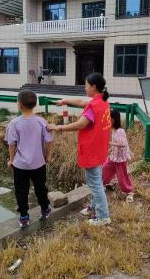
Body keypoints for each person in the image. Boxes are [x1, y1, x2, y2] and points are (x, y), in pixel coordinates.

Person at [47, 73, 111, 226]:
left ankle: (103, 216)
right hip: (100, 148)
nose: (84, 87)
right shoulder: (102, 101)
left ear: (93, 87)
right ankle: (94, 208)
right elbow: (81, 101)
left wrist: (58, 127)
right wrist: (63, 101)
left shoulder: (94, 106)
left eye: (86, 85)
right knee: (96, 181)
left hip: (92, 149)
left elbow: (81, 124)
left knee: (95, 183)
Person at [5, 90, 53, 228]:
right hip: (39, 163)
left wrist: (11, 160)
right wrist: (47, 156)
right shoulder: (41, 122)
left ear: (19, 105)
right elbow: (48, 141)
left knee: (21, 190)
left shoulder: (14, 123)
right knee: (40, 187)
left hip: (20, 165)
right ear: (35, 104)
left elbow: (12, 144)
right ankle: (45, 209)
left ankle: (24, 216)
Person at [102, 109, 134, 203]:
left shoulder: (120, 131)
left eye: (108, 119)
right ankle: (101, 184)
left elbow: (123, 143)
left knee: (122, 177)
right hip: (114, 157)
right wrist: (111, 149)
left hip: (120, 159)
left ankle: (129, 192)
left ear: (112, 120)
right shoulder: (114, 130)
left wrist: (110, 143)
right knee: (105, 168)